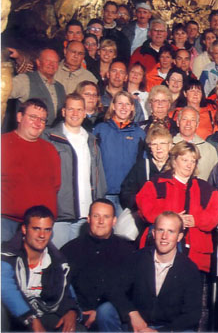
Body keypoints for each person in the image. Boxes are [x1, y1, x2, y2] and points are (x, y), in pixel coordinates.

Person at [136, 142, 218, 273]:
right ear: (174, 160)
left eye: (193, 161)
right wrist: (173, 220)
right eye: (185, 160)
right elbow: (145, 209)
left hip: (195, 256)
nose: (189, 165)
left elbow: (217, 212)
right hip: (160, 252)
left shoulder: (205, 188)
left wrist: (197, 220)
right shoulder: (157, 183)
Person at [110, 211, 202, 331]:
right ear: (153, 233)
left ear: (179, 237)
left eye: (171, 231)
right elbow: (116, 290)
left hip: (168, 328)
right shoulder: (137, 258)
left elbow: (192, 315)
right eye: (160, 230)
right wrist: (132, 313)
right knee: (106, 310)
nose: (164, 236)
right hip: (138, 325)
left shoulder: (189, 269)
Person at [1, 206, 82, 332]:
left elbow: (66, 291)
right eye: (36, 229)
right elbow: (4, 287)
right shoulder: (6, 255)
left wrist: (72, 311)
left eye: (47, 230)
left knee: (77, 330)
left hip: (42, 314)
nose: (42, 235)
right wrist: (31, 319)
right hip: (13, 317)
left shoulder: (58, 261)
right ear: (24, 229)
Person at [43, 93, 107, 248]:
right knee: (58, 260)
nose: (75, 114)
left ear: (85, 113)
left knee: (80, 261)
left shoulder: (91, 140)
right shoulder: (49, 138)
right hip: (60, 214)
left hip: (85, 215)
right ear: (63, 112)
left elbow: (99, 177)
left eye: (79, 110)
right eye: (71, 109)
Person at [60, 199, 135, 331]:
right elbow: (61, 288)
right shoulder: (69, 250)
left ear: (114, 221)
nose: (101, 221)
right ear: (88, 219)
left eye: (106, 217)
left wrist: (100, 312)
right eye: (96, 216)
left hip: (114, 315)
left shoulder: (128, 251)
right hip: (80, 316)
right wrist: (75, 311)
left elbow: (131, 292)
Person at [1, 99, 61, 242]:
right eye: (33, 117)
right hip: (7, 223)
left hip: (41, 228)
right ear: (19, 117)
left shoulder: (50, 150)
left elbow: (56, 185)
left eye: (42, 119)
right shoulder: (3, 144)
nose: (38, 123)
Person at [93, 91, 146, 216]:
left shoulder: (139, 134)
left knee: (123, 233)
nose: (123, 107)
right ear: (113, 106)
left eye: (127, 104)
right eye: (120, 103)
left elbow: (143, 165)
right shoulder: (101, 129)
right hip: (105, 192)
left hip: (128, 194)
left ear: (132, 107)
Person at [120, 125, 173, 211]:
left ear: (170, 146)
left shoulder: (176, 166)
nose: (158, 147)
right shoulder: (141, 166)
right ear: (150, 147)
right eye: (154, 144)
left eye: (162, 143)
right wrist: (140, 206)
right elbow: (126, 193)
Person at [9, 48, 66, 126]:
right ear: (38, 62)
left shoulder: (60, 88)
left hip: (53, 136)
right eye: (47, 60)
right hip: (29, 134)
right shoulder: (25, 80)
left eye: (55, 62)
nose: (51, 64)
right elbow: (3, 91)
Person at [173, 106, 218, 180]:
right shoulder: (169, 146)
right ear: (178, 122)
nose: (188, 123)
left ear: (197, 124)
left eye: (193, 120)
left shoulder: (209, 150)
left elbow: (215, 179)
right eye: (184, 119)